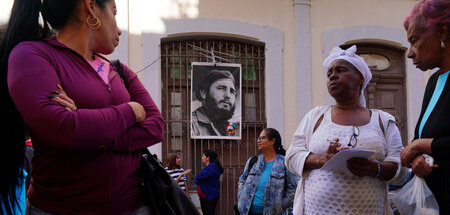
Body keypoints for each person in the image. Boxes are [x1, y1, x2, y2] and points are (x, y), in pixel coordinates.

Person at [0, 0, 164, 214]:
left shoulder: (119, 70)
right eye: (114, 13)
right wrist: (131, 110)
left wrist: (90, 130)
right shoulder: (32, 55)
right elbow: (64, 129)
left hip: (134, 207)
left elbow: (156, 127)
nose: (120, 30)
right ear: (91, 6)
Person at [285, 45, 406, 215]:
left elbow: (399, 169)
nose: (333, 75)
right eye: (329, 74)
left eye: (340, 70)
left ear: (360, 78)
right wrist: (322, 159)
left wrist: (375, 168)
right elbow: (291, 157)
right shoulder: (316, 116)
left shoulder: (383, 121)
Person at [400, 0, 450, 213]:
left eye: (414, 40)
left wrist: (420, 146)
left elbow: (423, 141)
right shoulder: (434, 82)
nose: (410, 53)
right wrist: (417, 157)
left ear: (441, 32)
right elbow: (422, 135)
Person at [237, 128, 297, 215]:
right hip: (247, 211)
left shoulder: (285, 163)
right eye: (258, 138)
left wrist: (279, 206)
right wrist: (241, 196)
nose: (258, 141)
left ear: (272, 141)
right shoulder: (253, 161)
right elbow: (242, 179)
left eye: (262, 138)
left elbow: (294, 188)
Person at [191, 69, 240, 137]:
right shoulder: (192, 123)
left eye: (232, 91)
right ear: (204, 93)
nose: (228, 95)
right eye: (221, 88)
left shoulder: (231, 127)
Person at [194, 150, 224, 215]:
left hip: (208, 195)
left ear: (208, 158)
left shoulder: (212, 166)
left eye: (203, 156)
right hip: (205, 196)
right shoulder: (210, 167)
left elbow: (199, 177)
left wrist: (197, 179)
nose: (202, 158)